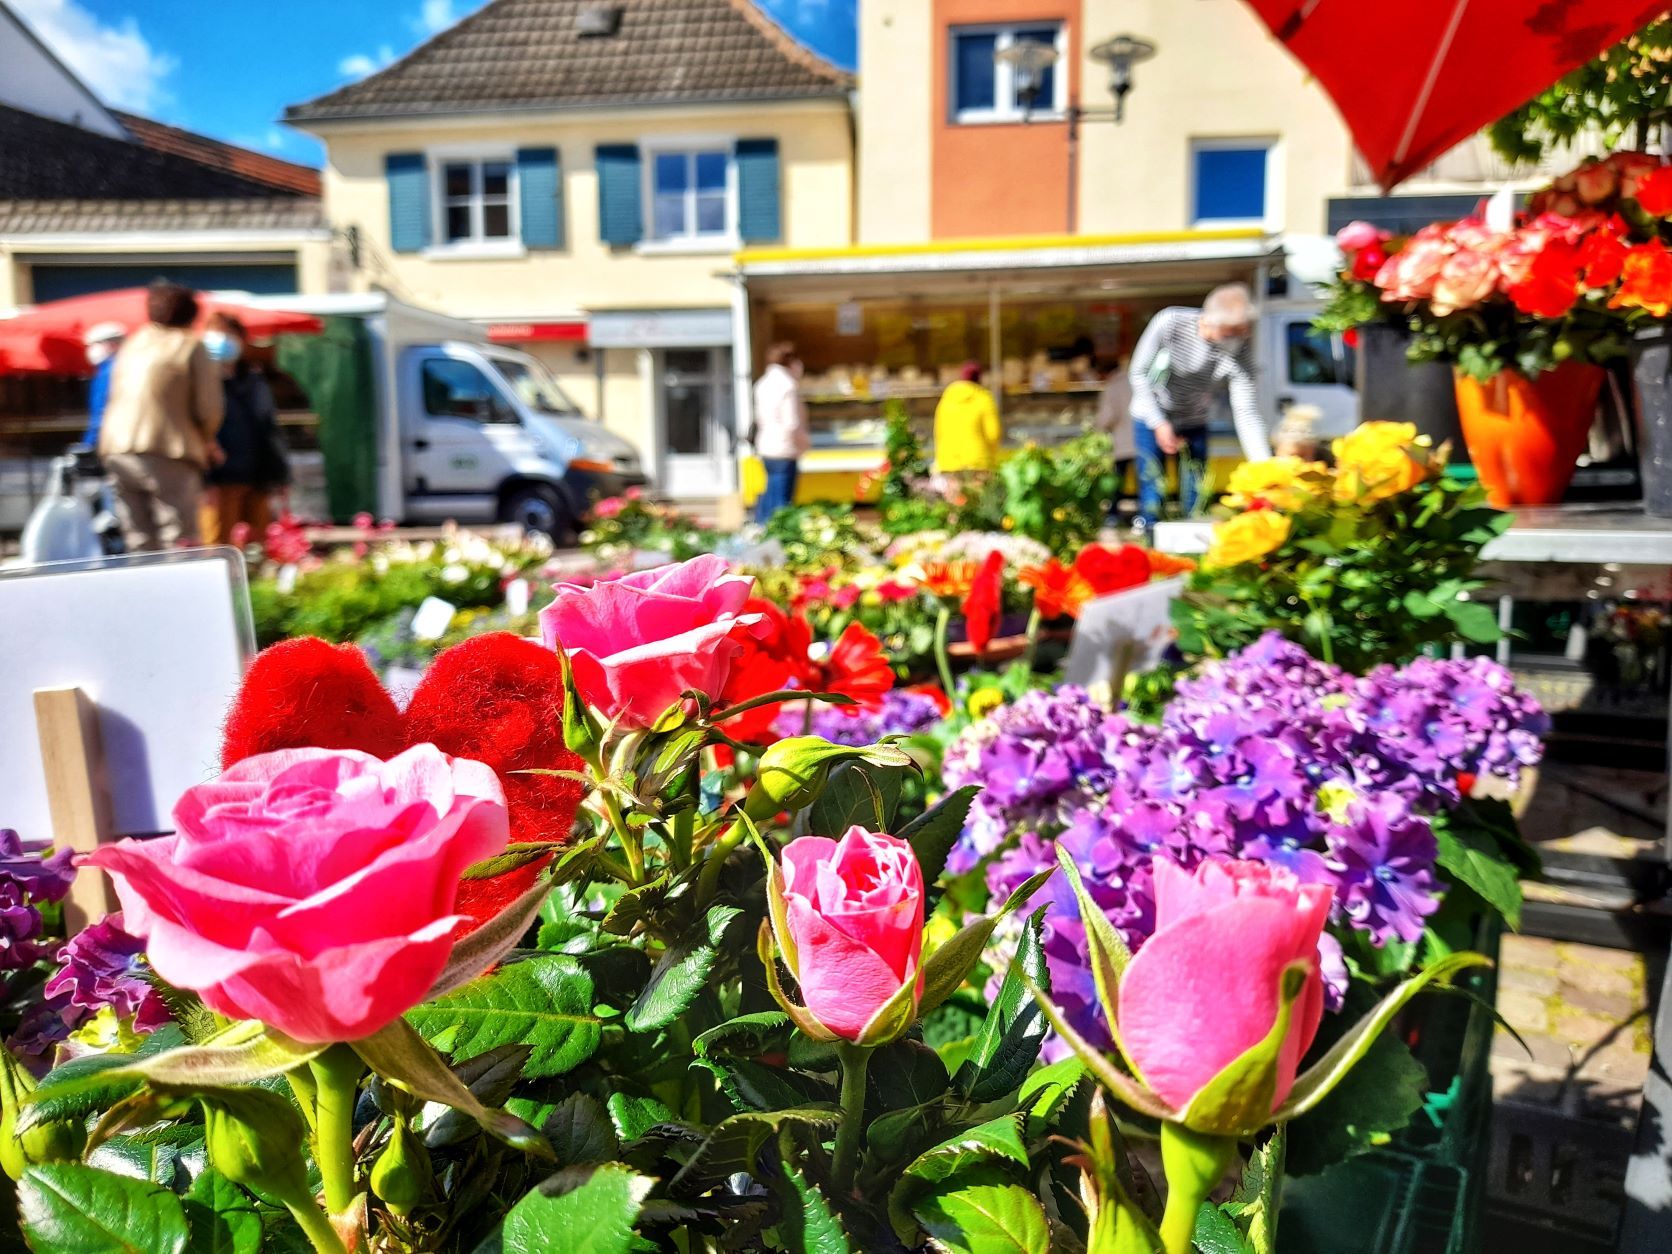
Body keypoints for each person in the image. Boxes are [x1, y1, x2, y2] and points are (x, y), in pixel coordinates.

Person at [1128, 283, 1269, 528]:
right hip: (1151, 415)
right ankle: (1150, 534)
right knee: (1153, 484)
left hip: (1194, 418)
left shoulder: (1240, 354)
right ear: (1209, 322)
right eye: (1231, 333)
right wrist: (1158, 423)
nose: (1238, 339)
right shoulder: (1170, 322)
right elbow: (1138, 373)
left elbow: (1247, 412)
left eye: (1244, 332)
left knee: (1196, 487)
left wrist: (1265, 466)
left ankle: (1191, 541)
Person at [98, 281, 224, 551]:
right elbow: (208, 408)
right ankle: (179, 592)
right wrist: (207, 440)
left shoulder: (134, 343)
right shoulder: (190, 346)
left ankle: (144, 591)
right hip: (169, 448)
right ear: (192, 313)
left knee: (139, 538)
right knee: (180, 538)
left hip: (117, 450)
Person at [199, 312, 289, 546]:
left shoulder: (253, 380)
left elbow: (269, 428)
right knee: (216, 545)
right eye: (217, 334)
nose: (223, 341)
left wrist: (279, 474)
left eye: (229, 335)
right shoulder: (199, 380)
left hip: (256, 475)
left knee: (258, 545)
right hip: (218, 478)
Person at [751, 342, 807, 524]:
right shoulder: (787, 385)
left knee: (770, 492)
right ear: (791, 362)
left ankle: (763, 532)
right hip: (784, 447)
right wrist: (803, 444)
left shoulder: (762, 383)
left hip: (766, 445)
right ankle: (778, 538)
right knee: (782, 501)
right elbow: (792, 422)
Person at [933, 361, 1002, 473]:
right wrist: (992, 457)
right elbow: (993, 434)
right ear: (979, 379)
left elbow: (938, 432)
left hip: (948, 463)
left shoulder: (946, 399)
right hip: (978, 463)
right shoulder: (984, 398)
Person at [1094, 357, 1136, 521]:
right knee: (1144, 480)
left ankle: (1113, 514)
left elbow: (1107, 416)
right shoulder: (1135, 380)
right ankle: (1147, 513)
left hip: (1122, 442)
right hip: (1141, 441)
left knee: (1118, 480)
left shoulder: (1112, 387)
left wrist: (1097, 429)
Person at [81, 322, 126, 449]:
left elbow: (101, 412)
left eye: (95, 345)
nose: (90, 350)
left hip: (112, 441)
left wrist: (88, 444)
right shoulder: (107, 369)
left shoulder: (111, 370)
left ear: (112, 345)